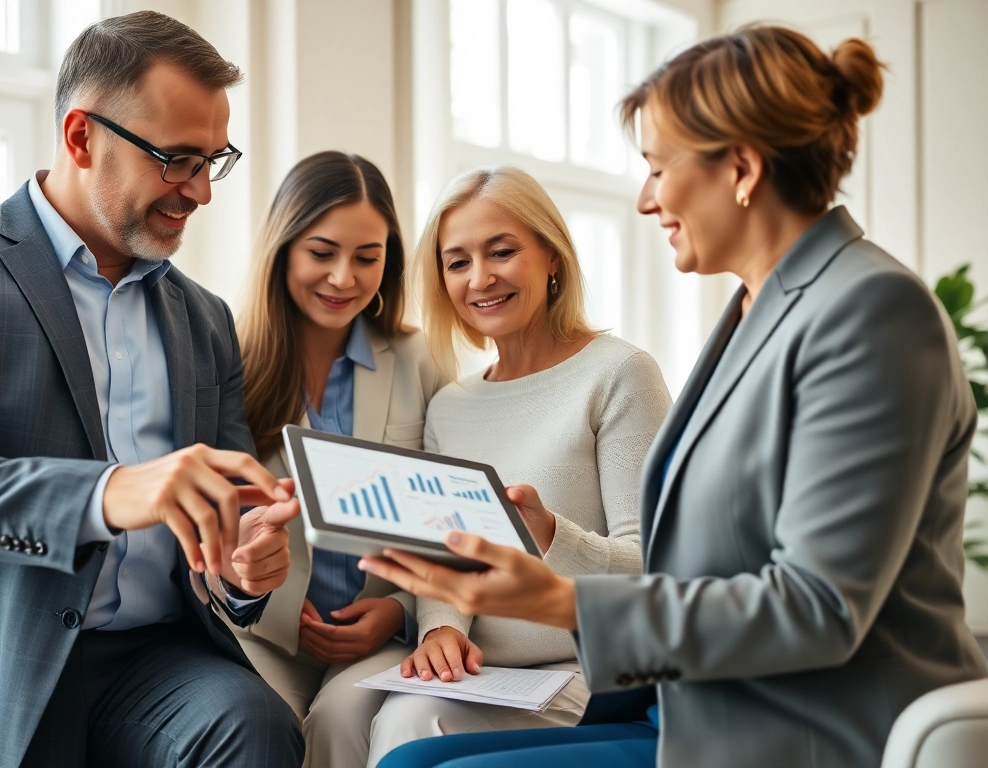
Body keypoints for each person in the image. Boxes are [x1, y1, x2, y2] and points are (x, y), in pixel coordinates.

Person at [366, 24, 988, 768]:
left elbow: (818, 608)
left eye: (659, 168)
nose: (645, 200)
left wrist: (561, 601)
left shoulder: (872, 312)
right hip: (699, 706)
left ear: (743, 169)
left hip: (804, 731)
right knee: (408, 758)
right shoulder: (757, 311)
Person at [0, 12, 306, 768]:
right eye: (177, 159)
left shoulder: (205, 320)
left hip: (152, 662)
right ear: (81, 138)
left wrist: (243, 566)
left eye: (215, 160)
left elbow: (234, 512)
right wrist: (108, 494)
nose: (201, 191)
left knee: (255, 725)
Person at [366, 165, 670, 766]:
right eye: (458, 262)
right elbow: (443, 551)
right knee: (338, 715)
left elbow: (660, 565)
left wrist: (555, 536)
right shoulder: (451, 405)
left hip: (586, 670)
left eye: (502, 251)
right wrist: (441, 630)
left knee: (410, 724)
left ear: (552, 256)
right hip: (485, 671)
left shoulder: (619, 374)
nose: (481, 278)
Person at [234, 151, 444, 768]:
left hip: (378, 631)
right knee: (254, 722)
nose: (344, 278)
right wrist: (262, 600)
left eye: (367, 257)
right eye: (322, 253)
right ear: (284, 249)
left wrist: (399, 613)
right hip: (266, 632)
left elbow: (450, 517)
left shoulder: (418, 360)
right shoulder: (230, 360)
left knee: (337, 720)